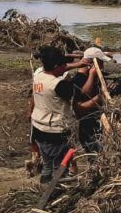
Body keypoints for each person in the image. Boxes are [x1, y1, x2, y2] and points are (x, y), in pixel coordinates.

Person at [29, 46, 79, 184]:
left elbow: (58, 69)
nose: (65, 68)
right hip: (55, 130)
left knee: (47, 163)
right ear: (57, 66)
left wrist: (77, 64)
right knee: (59, 165)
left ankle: (44, 183)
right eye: (63, 65)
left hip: (39, 127)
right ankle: (56, 190)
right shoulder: (59, 85)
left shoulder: (38, 75)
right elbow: (74, 94)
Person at [70, 47, 113, 153]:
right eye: (101, 63)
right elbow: (79, 108)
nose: (102, 67)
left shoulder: (93, 78)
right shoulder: (77, 80)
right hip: (87, 128)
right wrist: (98, 97)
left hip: (96, 124)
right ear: (93, 63)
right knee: (96, 155)